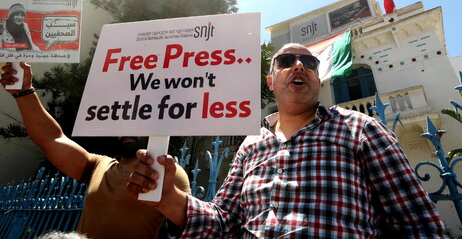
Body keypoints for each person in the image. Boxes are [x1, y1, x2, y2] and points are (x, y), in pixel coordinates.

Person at [127, 42, 448, 238]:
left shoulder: (361, 128)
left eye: (309, 63)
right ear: (271, 81)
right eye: (286, 62)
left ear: (317, 78)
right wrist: (168, 198)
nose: (299, 66)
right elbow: (223, 223)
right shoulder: (250, 146)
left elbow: (419, 225)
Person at [0, 62, 191, 239]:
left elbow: (190, 227)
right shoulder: (99, 166)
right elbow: (52, 139)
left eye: (139, 120)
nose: (128, 127)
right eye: (124, 120)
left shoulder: (166, 173)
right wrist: (24, 92)